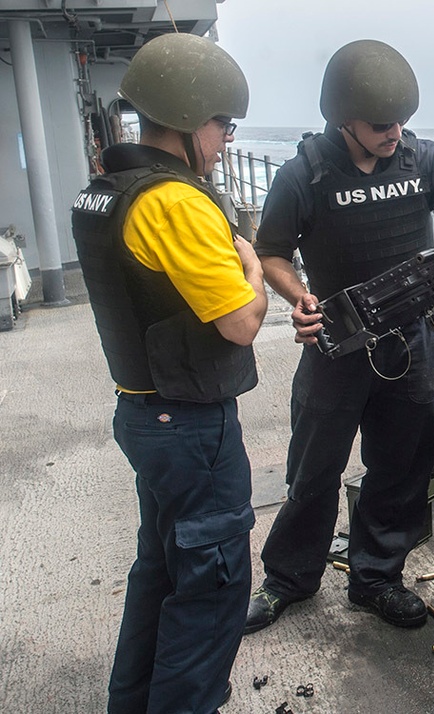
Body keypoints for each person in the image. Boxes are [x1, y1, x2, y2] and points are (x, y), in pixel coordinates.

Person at [244, 39, 434, 632]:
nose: (394, 133)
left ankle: (376, 577)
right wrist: (301, 298)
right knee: (314, 469)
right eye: (379, 125)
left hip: (411, 342)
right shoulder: (305, 174)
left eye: (401, 121)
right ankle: (289, 578)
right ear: (344, 120)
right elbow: (270, 252)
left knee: (400, 468)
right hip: (338, 345)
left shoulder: (421, 160)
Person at [71, 32, 267, 714]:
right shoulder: (176, 202)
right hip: (189, 426)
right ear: (189, 120)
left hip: (144, 414)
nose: (225, 142)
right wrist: (251, 269)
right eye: (223, 126)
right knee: (212, 588)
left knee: (160, 574)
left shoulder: (105, 191)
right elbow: (240, 322)